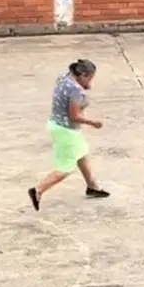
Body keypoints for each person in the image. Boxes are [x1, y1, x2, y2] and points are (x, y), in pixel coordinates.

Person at [28, 59, 109, 211]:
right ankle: (38, 190)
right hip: (66, 130)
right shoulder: (75, 91)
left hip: (56, 123)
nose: (91, 81)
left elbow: (79, 90)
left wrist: (86, 85)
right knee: (66, 167)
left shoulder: (64, 76)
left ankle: (92, 186)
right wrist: (93, 123)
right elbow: (74, 116)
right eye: (90, 77)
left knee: (82, 152)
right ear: (83, 75)